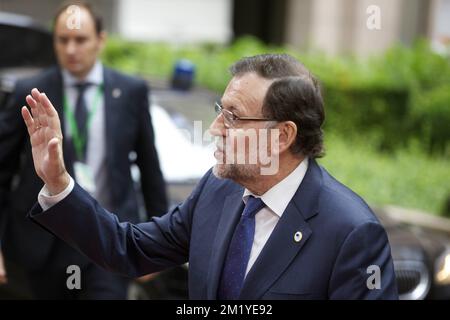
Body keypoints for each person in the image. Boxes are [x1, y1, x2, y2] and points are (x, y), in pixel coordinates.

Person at [22, 53, 398, 299]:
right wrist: (58, 183)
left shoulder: (352, 232)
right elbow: (129, 249)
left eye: (233, 116)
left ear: (282, 136)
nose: (215, 128)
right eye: (221, 110)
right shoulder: (218, 191)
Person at [0, 1, 167, 299]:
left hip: (109, 237)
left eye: (80, 39)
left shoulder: (130, 91)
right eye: (63, 40)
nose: (71, 49)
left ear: (100, 40)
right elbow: (2, 172)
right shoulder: (31, 91)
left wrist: (159, 247)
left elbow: (150, 171)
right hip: (43, 242)